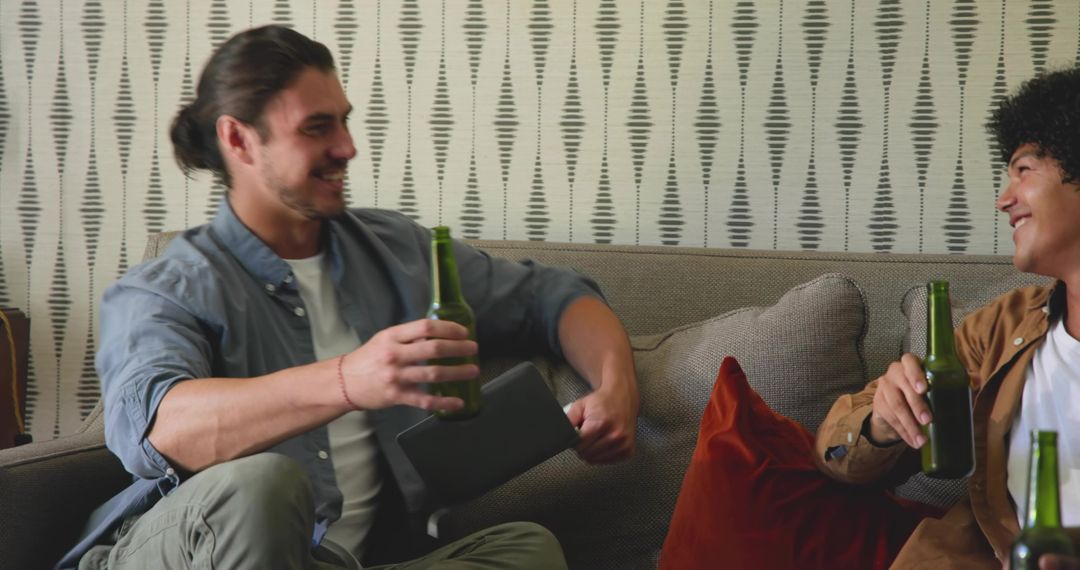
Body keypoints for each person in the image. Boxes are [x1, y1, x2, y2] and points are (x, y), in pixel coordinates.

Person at [58, 25, 639, 570]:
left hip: (355, 557)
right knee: (263, 483)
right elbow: (160, 431)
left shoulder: (396, 250)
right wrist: (347, 379)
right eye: (317, 128)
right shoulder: (167, 286)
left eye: (344, 122)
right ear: (238, 139)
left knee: (525, 550)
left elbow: (554, 297)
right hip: (189, 551)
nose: (347, 147)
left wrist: (616, 388)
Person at [815, 65, 1080, 568]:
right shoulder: (1002, 329)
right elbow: (834, 450)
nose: (1004, 200)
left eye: (1024, 170)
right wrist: (881, 423)